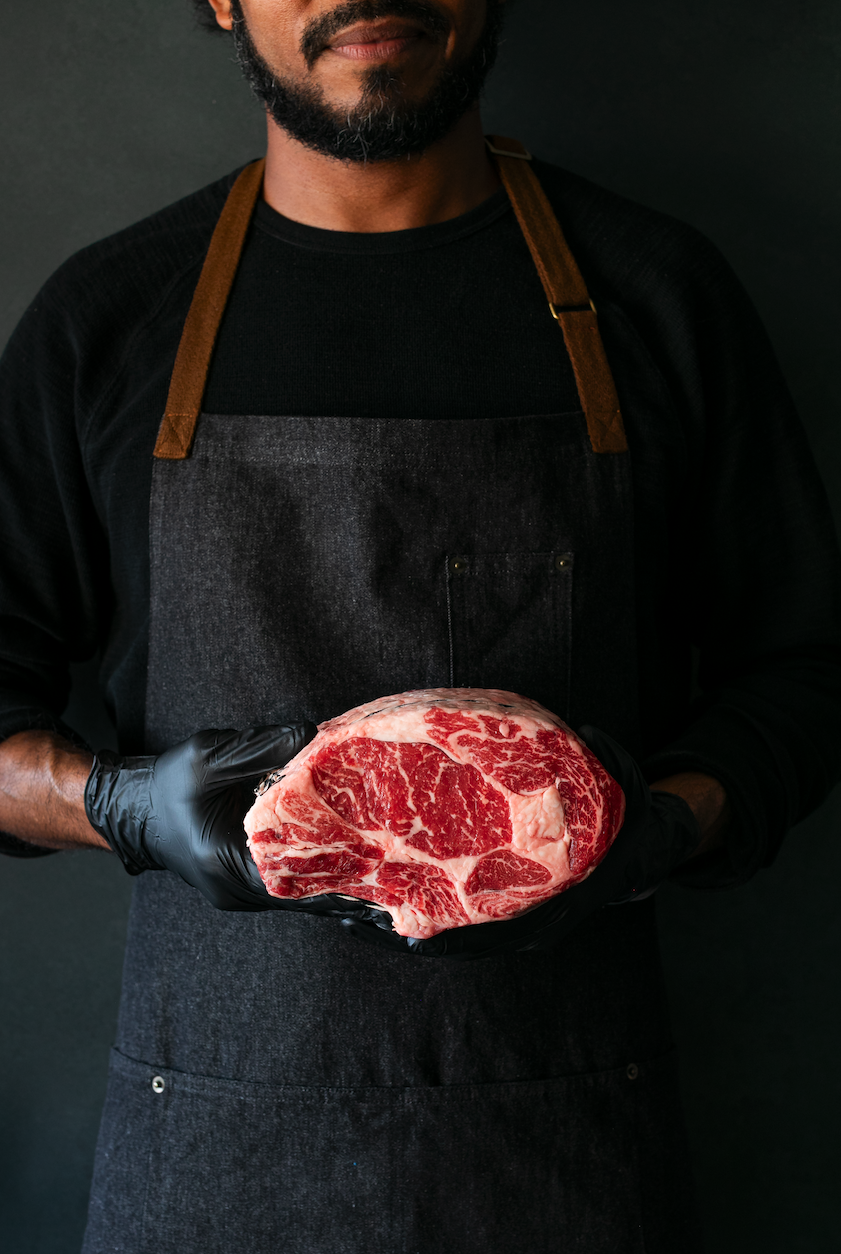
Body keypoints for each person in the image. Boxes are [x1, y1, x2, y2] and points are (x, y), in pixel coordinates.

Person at [1, 0, 839, 1249]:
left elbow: (803, 675)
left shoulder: (657, 294)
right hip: (209, 1156)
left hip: (562, 1149)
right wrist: (120, 805)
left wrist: (664, 826)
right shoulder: (107, 320)